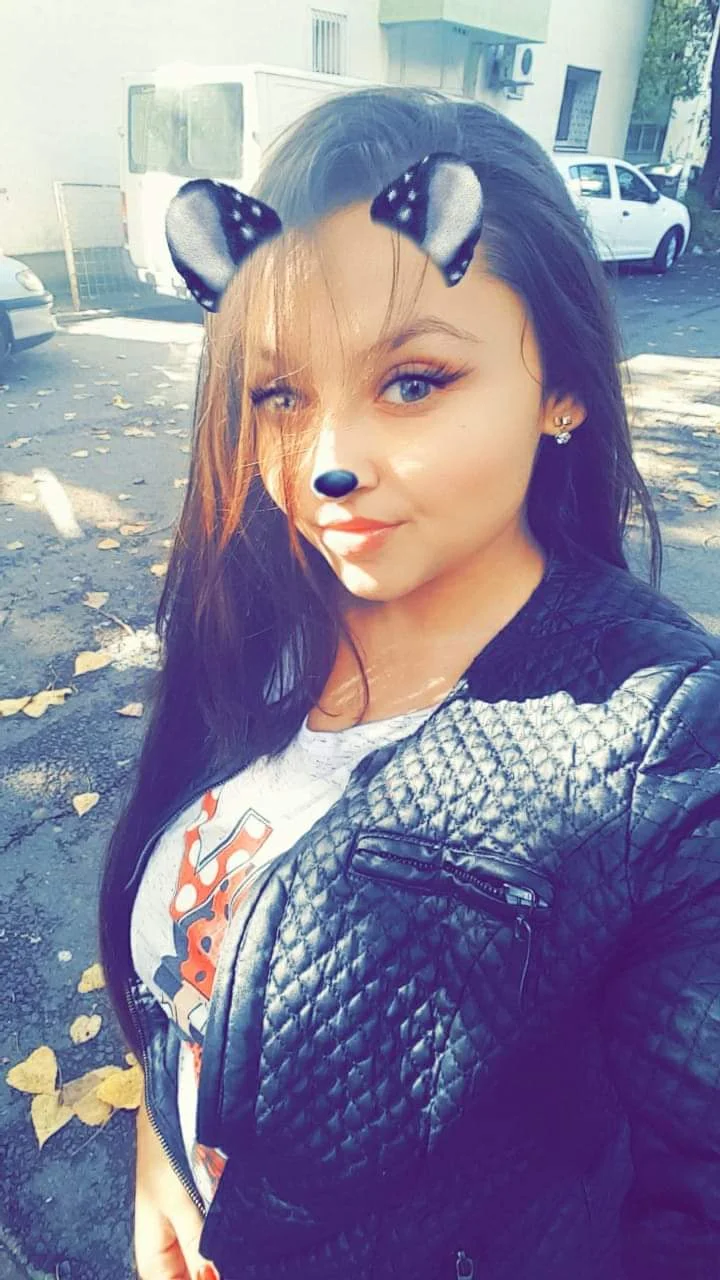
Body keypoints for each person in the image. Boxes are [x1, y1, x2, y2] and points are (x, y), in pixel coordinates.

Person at [99, 86, 720, 1280]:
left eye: (415, 380)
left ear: (563, 387)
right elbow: (195, 950)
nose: (328, 462)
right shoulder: (263, 623)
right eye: (282, 393)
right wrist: (162, 1128)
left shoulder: (669, 747)